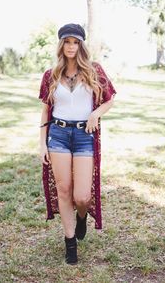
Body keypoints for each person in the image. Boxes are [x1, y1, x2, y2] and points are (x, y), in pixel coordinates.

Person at [39, 23, 116, 265]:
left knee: (82, 196)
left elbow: (110, 99)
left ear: (81, 45)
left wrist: (96, 114)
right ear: (61, 45)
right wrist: (42, 144)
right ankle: (70, 243)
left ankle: (82, 216)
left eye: (75, 42)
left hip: (84, 135)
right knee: (64, 190)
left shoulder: (94, 71)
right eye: (67, 42)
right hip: (58, 135)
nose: (71, 46)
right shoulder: (51, 75)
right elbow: (45, 113)